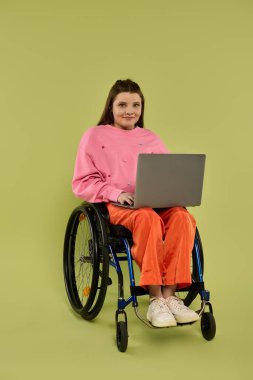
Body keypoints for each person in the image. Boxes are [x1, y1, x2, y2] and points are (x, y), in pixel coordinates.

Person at [72, 79, 199, 328]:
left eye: (136, 105)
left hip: (155, 200)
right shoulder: (95, 136)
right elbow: (82, 181)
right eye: (122, 104)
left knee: (183, 218)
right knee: (147, 218)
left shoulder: (150, 137)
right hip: (121, 205)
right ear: (111, 107)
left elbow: (167, 172)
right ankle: (155, 298)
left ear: (142, 108)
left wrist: (176, 191)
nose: (129, 110)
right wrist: (116, 193)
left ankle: (170, 296)